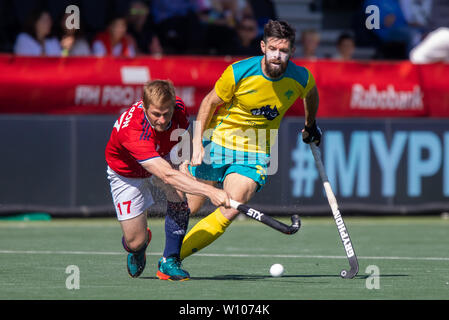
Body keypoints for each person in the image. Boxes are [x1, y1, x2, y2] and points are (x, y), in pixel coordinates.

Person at [179, 20, 321, 261]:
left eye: (284, 50)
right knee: (187, 210)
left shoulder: (301, 77)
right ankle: (145, 238)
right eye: (273, 49)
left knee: (231, 206)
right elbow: (208, 102)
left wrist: (310, 124)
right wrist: (195, 145)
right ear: (263, 46)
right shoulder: (239, 71)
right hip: (217, 142)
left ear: (292, 52)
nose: (278, 56)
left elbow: (311, 95)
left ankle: (173, 258)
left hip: (254, 152)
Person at [105, 80, 231, 281]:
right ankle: (139, 247)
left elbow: (180, 136)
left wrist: (183, 162)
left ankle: (170, 261)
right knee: (135, 242)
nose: (162, 120)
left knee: (178, 194)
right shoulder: (133, 131)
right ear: (145, 107)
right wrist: (212, 192)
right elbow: (167, 175)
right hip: (126, 173)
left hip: (159, 155)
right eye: (156, 114)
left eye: (166, 114)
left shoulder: (178, 108)